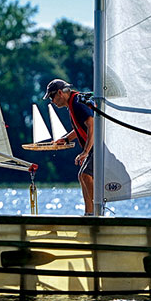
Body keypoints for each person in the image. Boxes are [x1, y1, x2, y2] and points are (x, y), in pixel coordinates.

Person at [44, 78, 95, 215]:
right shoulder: (73, 103)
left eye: (52, 97)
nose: (52, 102)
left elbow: (92, 124)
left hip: (98, 146)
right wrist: (65, 139)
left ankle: (96, 213)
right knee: (82, 176)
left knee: (85, 175)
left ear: (60, 93)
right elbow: (81, 127)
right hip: (94, 147)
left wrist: (85, 151)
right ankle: (89, 213)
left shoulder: (77, 103)